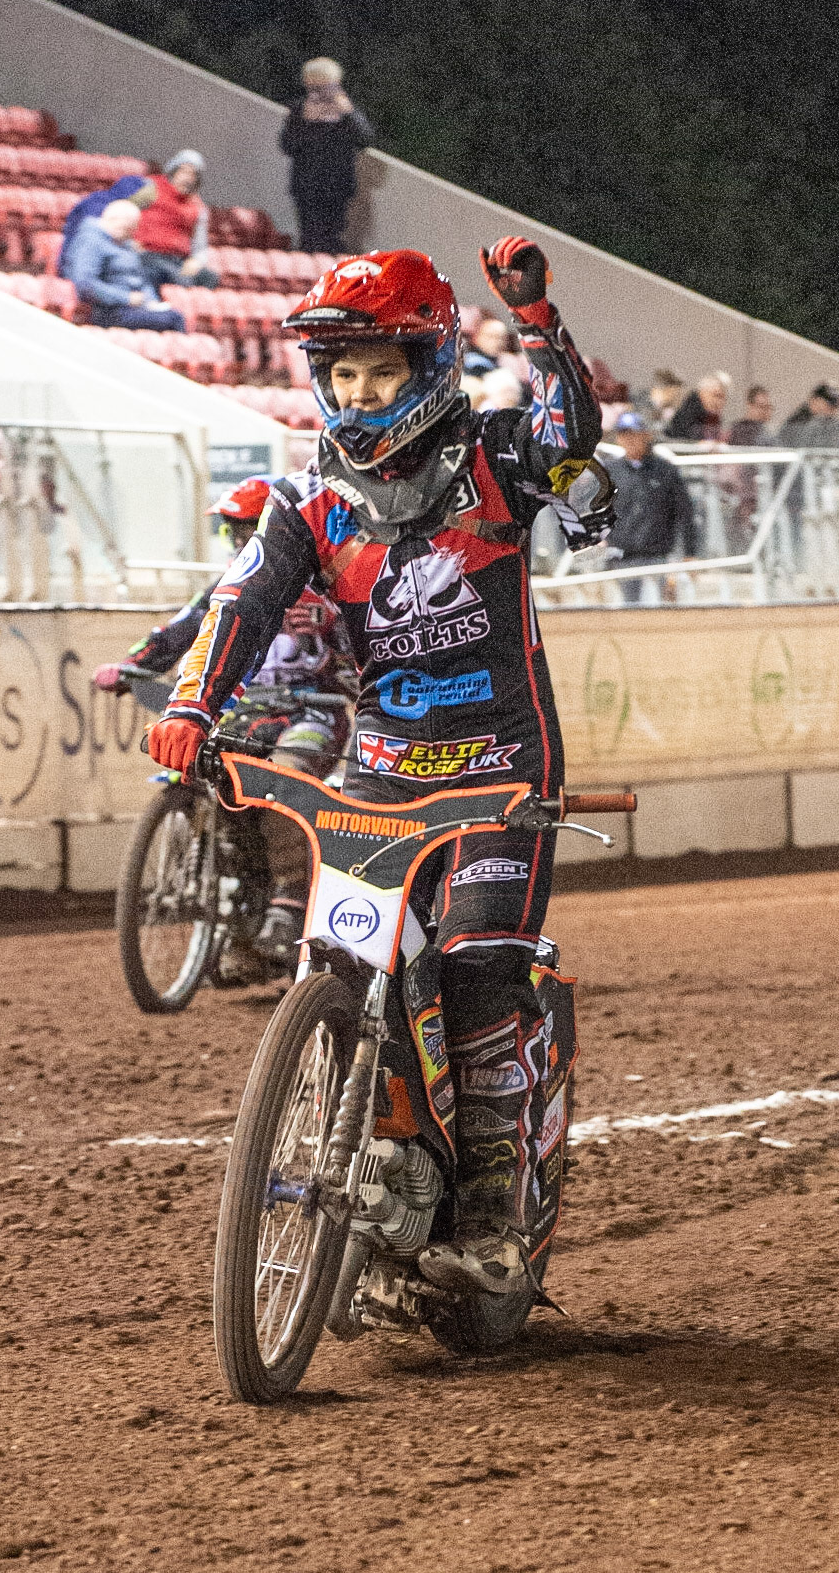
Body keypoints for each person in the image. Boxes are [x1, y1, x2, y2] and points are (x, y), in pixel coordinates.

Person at [147, 240, 613, 1296]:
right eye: (342, 372)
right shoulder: (312, 500)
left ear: (432, 366)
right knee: (347, 968)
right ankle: (379, 1168)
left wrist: (536, 323)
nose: (358, 392)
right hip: (379, 771)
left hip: (502, 762)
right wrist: (191, 705)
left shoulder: (494, 459)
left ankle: (494, 1218)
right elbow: (245, 600)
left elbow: (570, 439)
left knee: (481, 967)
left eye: (382, 370)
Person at [95, 477, 354, 971]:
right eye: (230, 532)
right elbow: (175, 634)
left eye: (246, 529)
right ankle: (237, 904)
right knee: (198, 770)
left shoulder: (333, 586)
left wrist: (332, 634)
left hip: (312, 711)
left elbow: (367, 655)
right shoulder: (228, 589)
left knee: (282, 783)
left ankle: (290, 899)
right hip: (245, 710)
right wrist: (130, 666)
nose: (238, 542)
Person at [279, 58, 374, 255]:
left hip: (339, 185)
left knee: (334, 240)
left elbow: (366, 139)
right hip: (307, 185)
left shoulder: (347, 110)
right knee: (310, 238)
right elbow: (287, 146)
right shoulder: (300, 110)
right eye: (315, 87)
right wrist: (305, 122)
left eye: (328, 86)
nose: (322, 93)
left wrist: (349, 113)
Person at [606, 410, 698, 601]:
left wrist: (690, 552)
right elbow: (597, 510)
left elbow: (685, 513)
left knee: (667, 610)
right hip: (624, 556)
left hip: (660, 556)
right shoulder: (610, 472)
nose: (630, 439)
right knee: (627, 611)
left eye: (634, 434)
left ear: (645, 435)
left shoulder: (665, 470)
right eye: (624, 434)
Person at [70, 200, 186, 331]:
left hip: (134, 306)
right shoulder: (91, 241)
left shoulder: (126, 244)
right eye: (125, 229)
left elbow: (142, 280)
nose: (129, 234)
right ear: (111, 219)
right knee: (172, 319)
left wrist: (151, 301)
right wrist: (126, 298)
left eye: (131, 230)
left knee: (174, 315)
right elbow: (85, 284)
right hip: (107, 309)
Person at [135, 150, 219, 293]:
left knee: (209, 278)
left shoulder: (197, 206)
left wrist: (196, 261)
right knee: (172, 276)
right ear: (173, 171)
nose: (188, 178)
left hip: (177, 259)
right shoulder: (151, 187)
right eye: (184, 171)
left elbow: (200, 245)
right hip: (149, 254)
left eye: (193, 174)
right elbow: (126, 210)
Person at [57, 174, 155, 281]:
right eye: (141, 203)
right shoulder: (97, 204)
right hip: (81, 261)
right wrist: (129, 244)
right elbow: (97, 239)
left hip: (108, 261)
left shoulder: (120, 209)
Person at [725, 385, 776, 539]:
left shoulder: (767, 432)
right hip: (746, 495)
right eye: (761, 406)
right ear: (750, 405)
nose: (765, 411)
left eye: (768, 407)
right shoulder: (740, 430)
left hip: (766, 493)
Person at [779, 382, 839, 450]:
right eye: (829, 404)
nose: (833, 410)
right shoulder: (798, 422)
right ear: (814, 400)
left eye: (835, 406)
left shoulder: (830, 423)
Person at [669, 371, 730, 442]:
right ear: (702, 392)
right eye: (716, 395)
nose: (719, 402)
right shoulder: (687, 412)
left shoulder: (713, 416)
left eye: (723, 398)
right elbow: (686, 437)